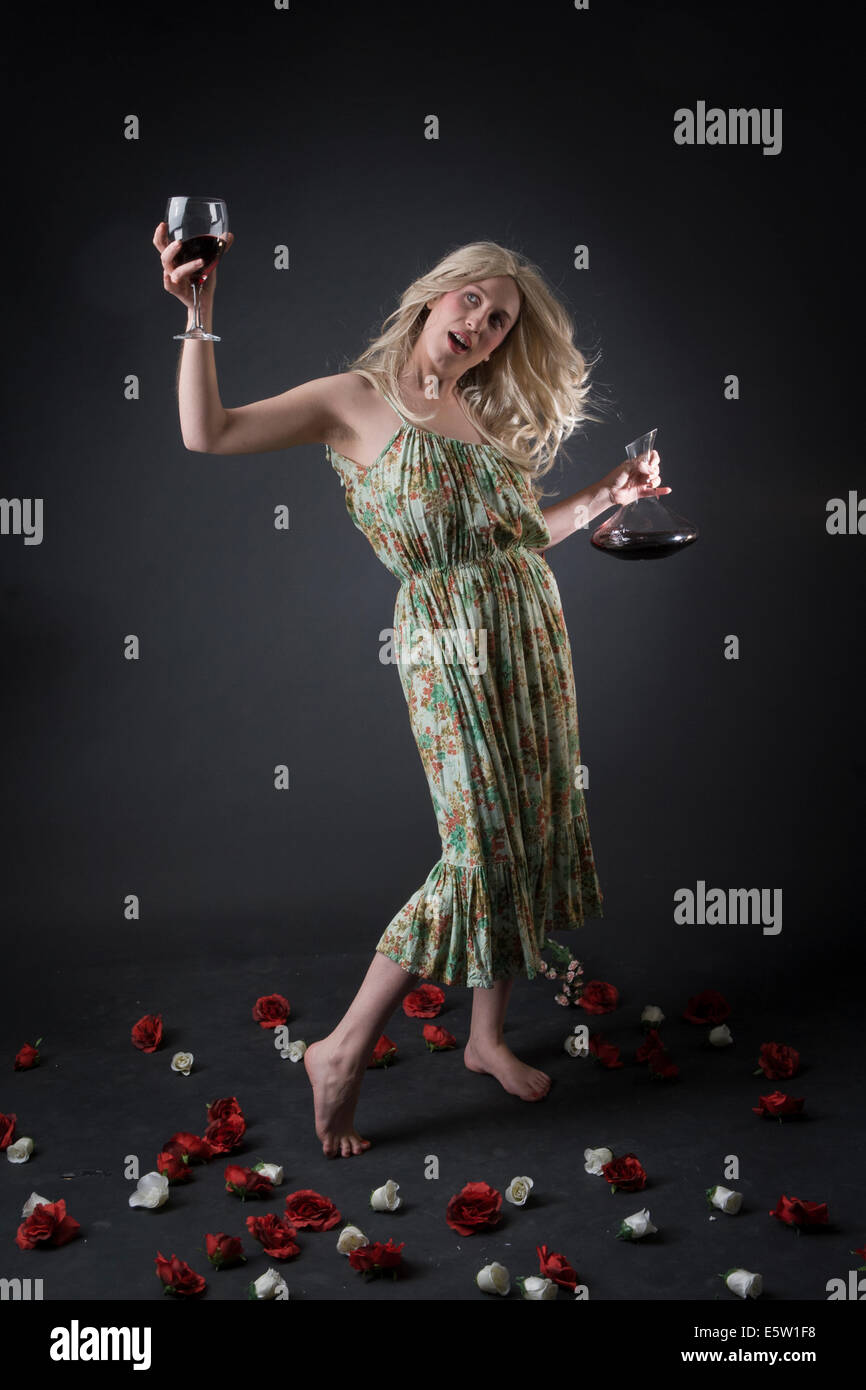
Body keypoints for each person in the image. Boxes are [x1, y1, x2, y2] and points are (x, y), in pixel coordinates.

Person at [153, 225, 669, 1158]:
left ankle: (483, 1039)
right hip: (449, 647)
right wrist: (199, 315)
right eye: (473, 299)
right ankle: (341, 1049)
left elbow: (511, 541)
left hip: (531, 638)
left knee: (526, 830)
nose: (483, 323)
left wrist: (609, 494)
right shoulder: (353, 399)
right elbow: (207, 433)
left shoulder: (479, 416)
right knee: (478, 849)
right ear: (437, 294)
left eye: (502, 319)